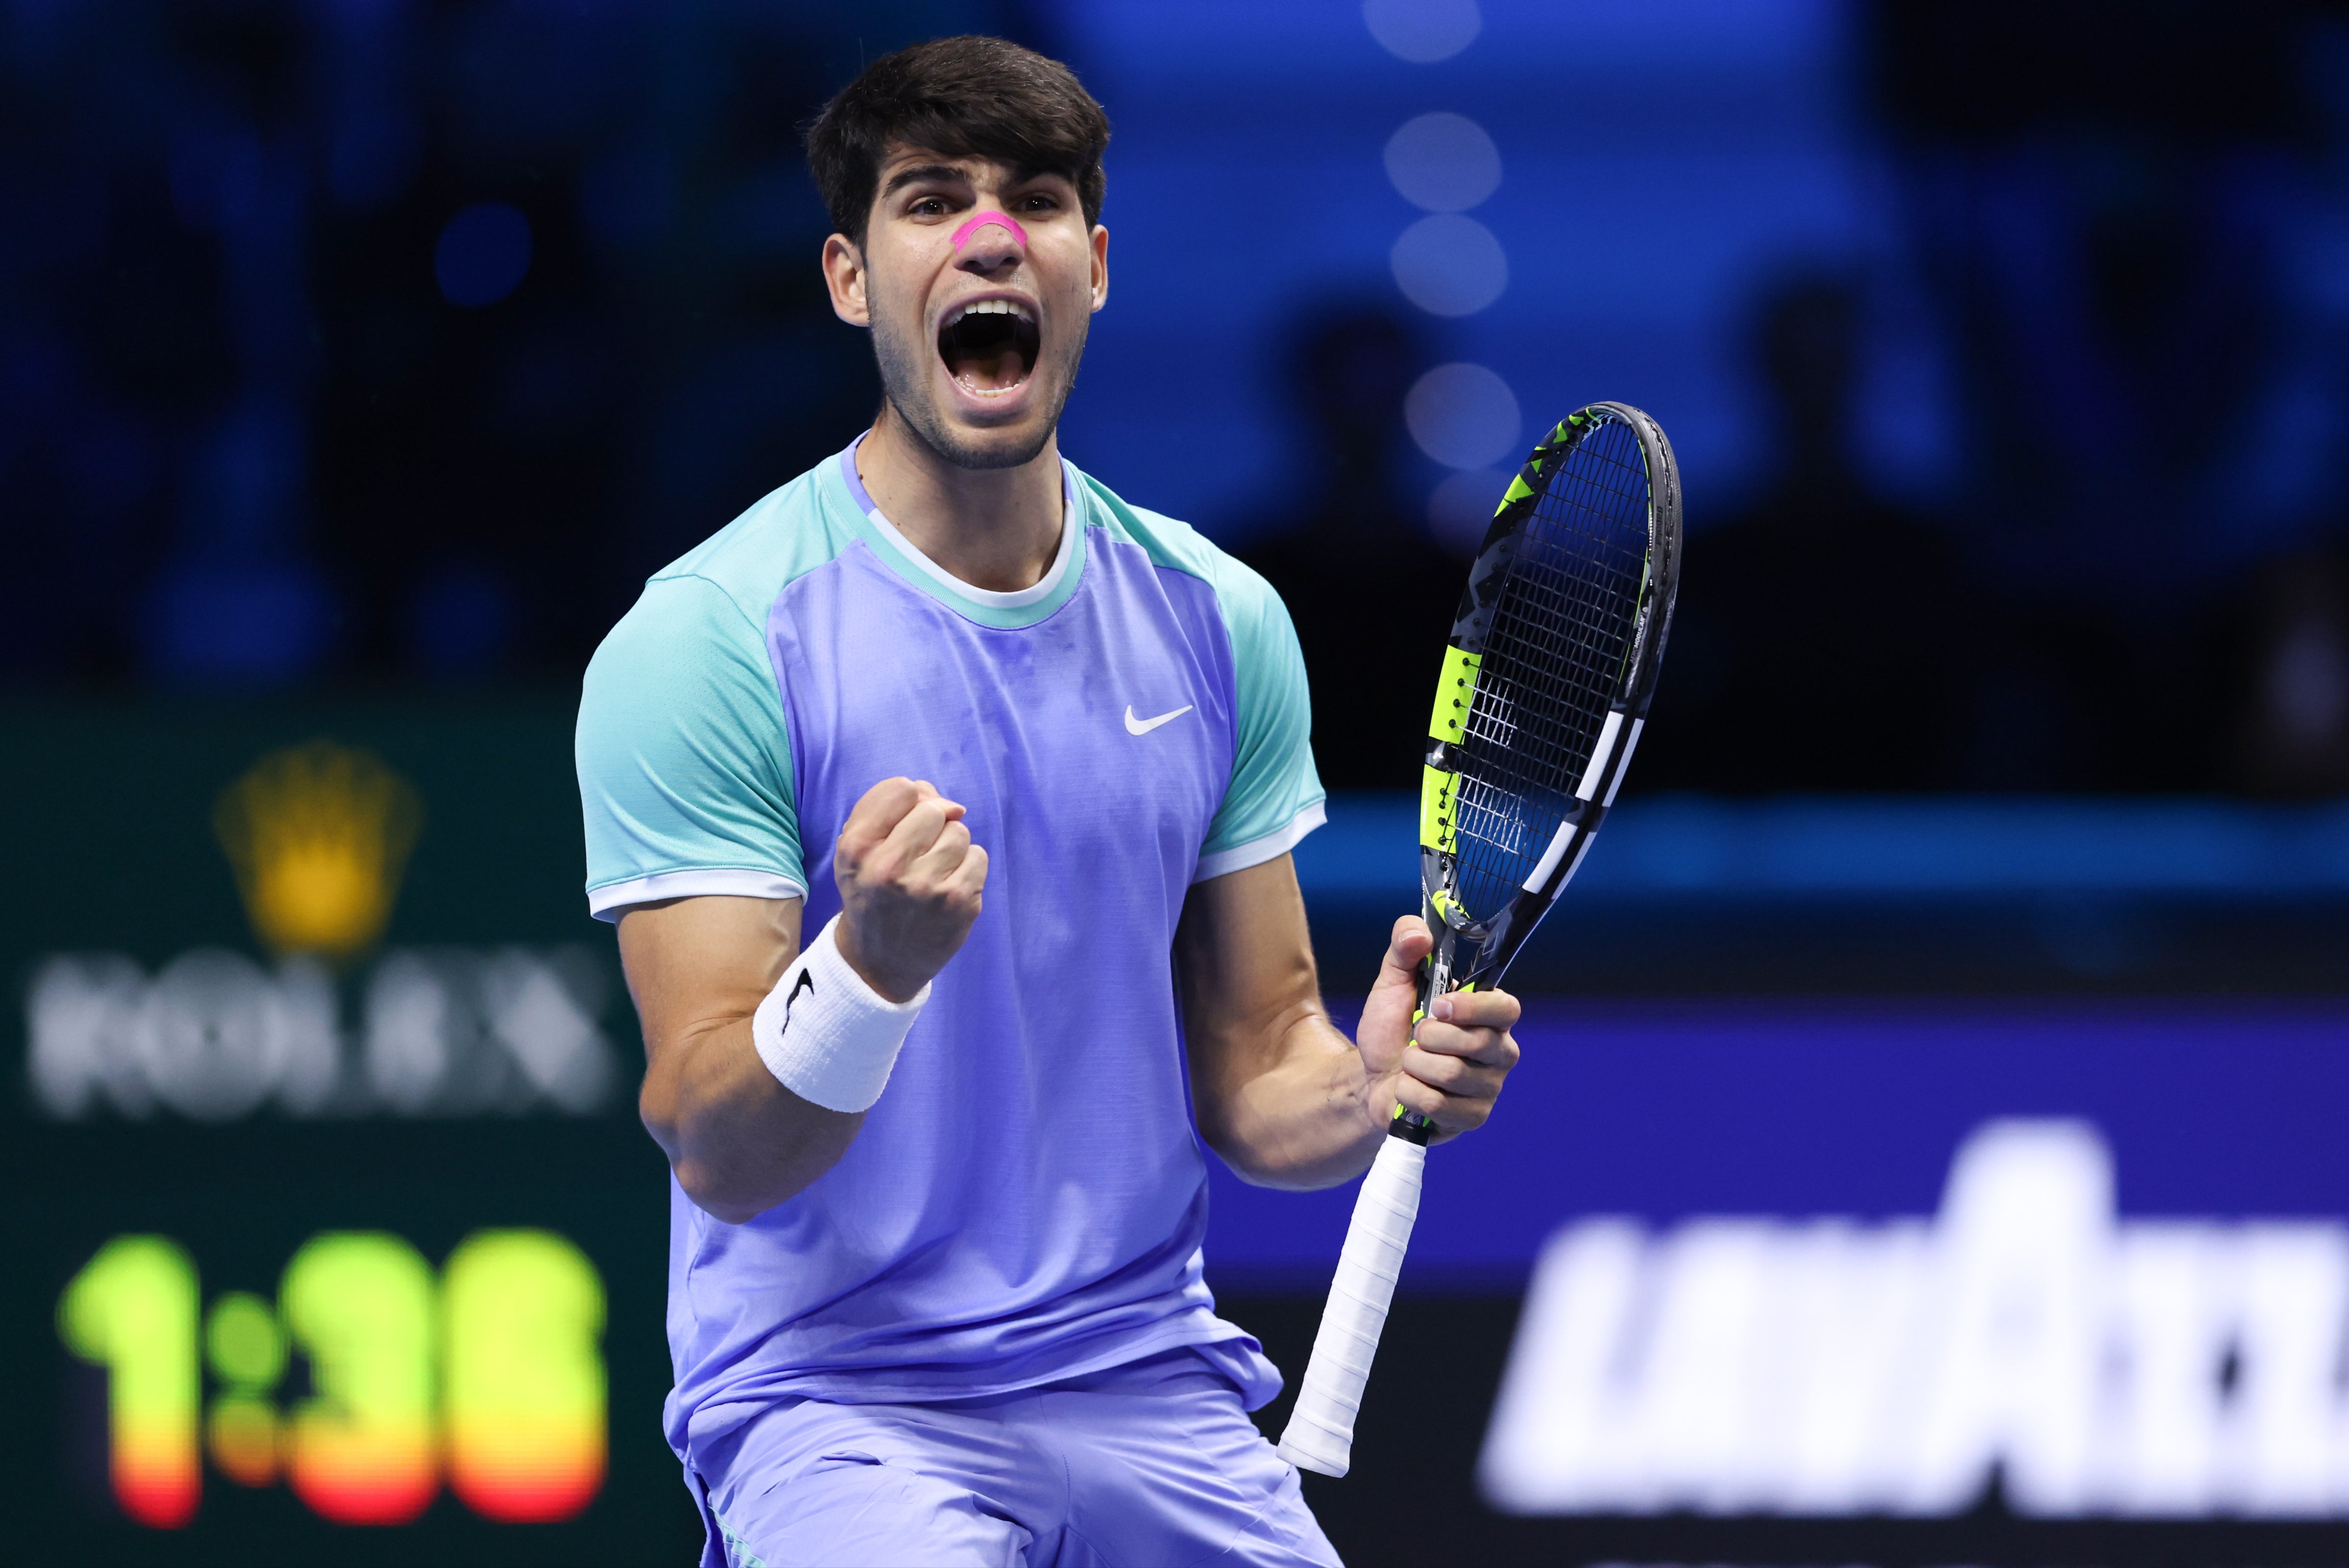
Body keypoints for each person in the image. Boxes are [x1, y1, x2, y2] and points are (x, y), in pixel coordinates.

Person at [573, 36, 1523, 1568]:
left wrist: (1369, 1084)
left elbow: (1260, 1070)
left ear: (1094, 264)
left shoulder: (1219, 620)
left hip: (1146, 1380)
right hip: (839, 1401)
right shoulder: (709, 637)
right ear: (847, 277)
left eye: (1036, 200)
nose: (991, 235)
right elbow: (721, 1148)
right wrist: (863, 972)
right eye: (929, 201)